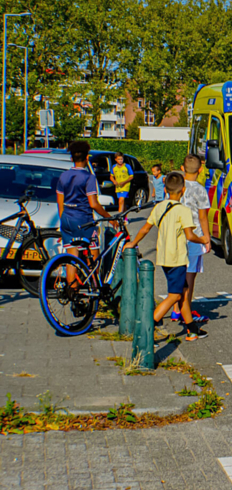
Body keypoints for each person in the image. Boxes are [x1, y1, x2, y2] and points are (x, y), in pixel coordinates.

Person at [124, 172, 208, 341]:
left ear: (167, 189)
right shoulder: (183, 211)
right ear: (183, 190)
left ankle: (192, 329)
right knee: (174, 296)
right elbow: (190, 236)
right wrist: (203, 239)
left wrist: (133, 243)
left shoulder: (159, 207)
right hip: (177, 258)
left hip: (163, 258)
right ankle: (146, 327)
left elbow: (146, 228)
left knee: (183, 292)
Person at [56, 141, 111, 283]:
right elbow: (93, 203)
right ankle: (95, 287)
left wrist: (63, 219)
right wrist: (109, 217)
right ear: (87, 158)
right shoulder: (89, 177)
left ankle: (72, 291)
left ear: (71, 159)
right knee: (94, 256)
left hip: (67, 218)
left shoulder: (63, 176)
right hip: (84, 220)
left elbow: (60, 203)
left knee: (72, 259)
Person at [170, 155, 212, 325]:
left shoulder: (176, 187)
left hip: (176, 233)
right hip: (194, 235)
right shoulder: (200, 190)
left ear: (182, 168)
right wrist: (207, 238)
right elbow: (203, 216)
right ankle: (185, 308)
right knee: (190, 274)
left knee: (177, 271)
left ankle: (175, 309)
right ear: (200, 169)